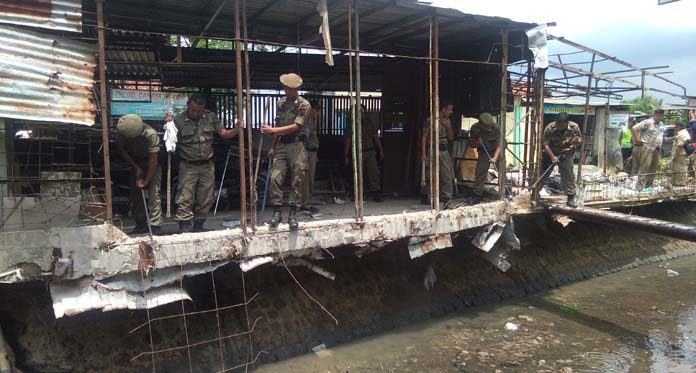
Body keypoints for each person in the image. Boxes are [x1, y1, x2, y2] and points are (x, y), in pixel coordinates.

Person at [174, 93, 239, 233]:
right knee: (185, 196)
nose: (196, 113)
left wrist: (235, 129)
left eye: (199, 111)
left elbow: (224, 134)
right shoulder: (178, 120)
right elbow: (170, 140)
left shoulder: (210, 117)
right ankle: (184, 227)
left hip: (207, 165)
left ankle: (199, 225)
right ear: (188, 106)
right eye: (193, 110)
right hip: (188, 165)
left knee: (206, 197)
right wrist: (167, 124)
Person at [260, 73, 311, 230]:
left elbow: (296, 126)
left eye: (288, 88)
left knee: (297, 179)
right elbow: (278, 123)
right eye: (284, 88)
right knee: (275, 177)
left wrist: (272, 130)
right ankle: (277, 211)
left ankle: (293, 214)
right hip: (281, 144)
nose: (285, 91)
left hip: (297, 145)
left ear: (296, 89)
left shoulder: (304, 105)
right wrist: (273, 146)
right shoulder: (281, 103)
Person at [115, 114, 163, 235]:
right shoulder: (122, 132)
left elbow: (153, 161)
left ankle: (155, 225)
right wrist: (136, 167)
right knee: (136, 195)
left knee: (154, 194)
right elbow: (121, 150)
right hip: (135, 162)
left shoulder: (150, 134)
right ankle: (140, 223)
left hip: (152, 164)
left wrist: (146, 181)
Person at [343, 104, 384, 202]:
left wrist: (381, 150)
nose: (362, 113)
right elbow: (348, 139)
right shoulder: (352, 124)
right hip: (358, 152)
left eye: (362, 111)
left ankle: (376, 193)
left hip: (370, 151)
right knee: (357, 174)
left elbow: (375, 136)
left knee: (374, 172)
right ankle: (358, 194)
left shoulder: (369, 122)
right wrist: (346, 154)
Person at [541, 112, 582, 207]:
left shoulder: (574, 127)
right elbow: (545, 144)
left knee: (568, 174)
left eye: (561, 124)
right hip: (550, 152)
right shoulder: (549, 128)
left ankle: (570, 198)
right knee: (542, 173)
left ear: (566, 123)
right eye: (557, 123)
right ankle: (535, 194)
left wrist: (577, 141)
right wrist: (552, 157)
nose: (558, 126)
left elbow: (579, 141)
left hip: (566, 153)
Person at [420, 100, 455, 208]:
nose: (451, 112)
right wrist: (423, 153)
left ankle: (447, 200)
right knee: (432, 176)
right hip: (433, 149)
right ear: (443, 109)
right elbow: (424, 137)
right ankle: (432, 199)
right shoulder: (430, 120)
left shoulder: (448, 121)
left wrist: (448, 127)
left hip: (444, 151)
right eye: (449, 109)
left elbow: (451, 138)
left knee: (447, 176)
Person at [468, 112, 501, 204]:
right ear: (481, 124)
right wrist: (477, 143)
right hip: (484, 150)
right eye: (486, 126)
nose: (488, 128)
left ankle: (504, 191)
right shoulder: (475, 128)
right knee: (480, 171)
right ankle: (477, 195)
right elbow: (471, 144)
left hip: (497, 150)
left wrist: (495, 157)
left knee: (502, 170)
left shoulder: (496, 128)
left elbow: (500, 145)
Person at [632, 109, 665, 188]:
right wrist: (637, 140)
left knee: (654, 167)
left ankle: (648, 185)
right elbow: (634, 128)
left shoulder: (661, 124)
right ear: (654, 115)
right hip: (647, 147)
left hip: (657, 148)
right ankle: (640, 185)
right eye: (657, 115)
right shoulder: (648, 122)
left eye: (661, 116)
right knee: (645, 167)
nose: (659, 117)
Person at [301, 102, 321, 214]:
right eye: (316, 112)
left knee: (309, 179)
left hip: (312, 153)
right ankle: (306, 204)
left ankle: (306, 202)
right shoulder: (308, 122)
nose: (317, 114)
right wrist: (305, 158)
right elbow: (304, 139)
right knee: (307, 179)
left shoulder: (312, 121)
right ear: (313, 111)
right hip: (307, 153)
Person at [670, 121, 690, 186]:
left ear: (679, 126)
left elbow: (680, 146)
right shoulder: (684, 132)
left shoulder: (681, 134)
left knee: (679, 169)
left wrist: (675, 156)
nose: (674, 128)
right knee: (680, 168)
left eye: (675, 127)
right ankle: (677, 182)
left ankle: (679, 183)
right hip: (683, 154)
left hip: (680, 154)